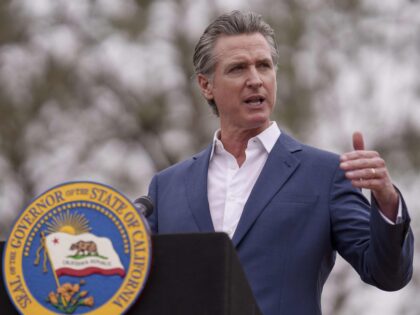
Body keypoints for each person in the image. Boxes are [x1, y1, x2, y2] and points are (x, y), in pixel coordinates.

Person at [146, 10, 413, 315]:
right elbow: (137, 285)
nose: (255, 80)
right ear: (206, 85)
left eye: (264, 66)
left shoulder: (325, 175)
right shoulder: (166, 187)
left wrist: (386, 199)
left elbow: (388, 275)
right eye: (237, 69)